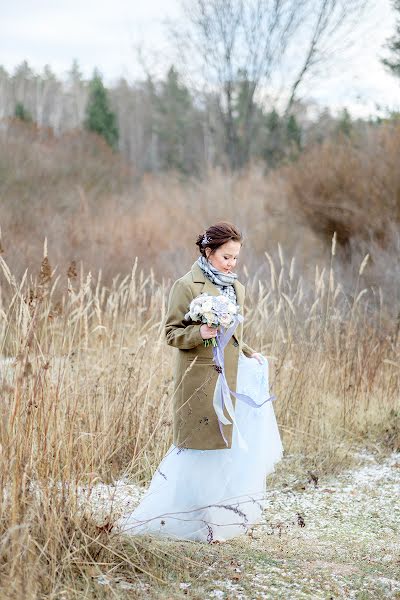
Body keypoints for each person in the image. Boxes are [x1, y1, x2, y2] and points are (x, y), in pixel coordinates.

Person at [117, 222, 284, 543]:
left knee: (226, 447)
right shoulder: (186, 285)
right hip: (199, 379)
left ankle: (218, 520)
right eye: (226, 257)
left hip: (231, 380)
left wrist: (250, 353)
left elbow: (234, 335)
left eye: (236, 258)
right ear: (208, 252)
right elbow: (170, 333)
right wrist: (199, 333)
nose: (232, 264)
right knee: (197, 447)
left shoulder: (236, 288)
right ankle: (179, 516)